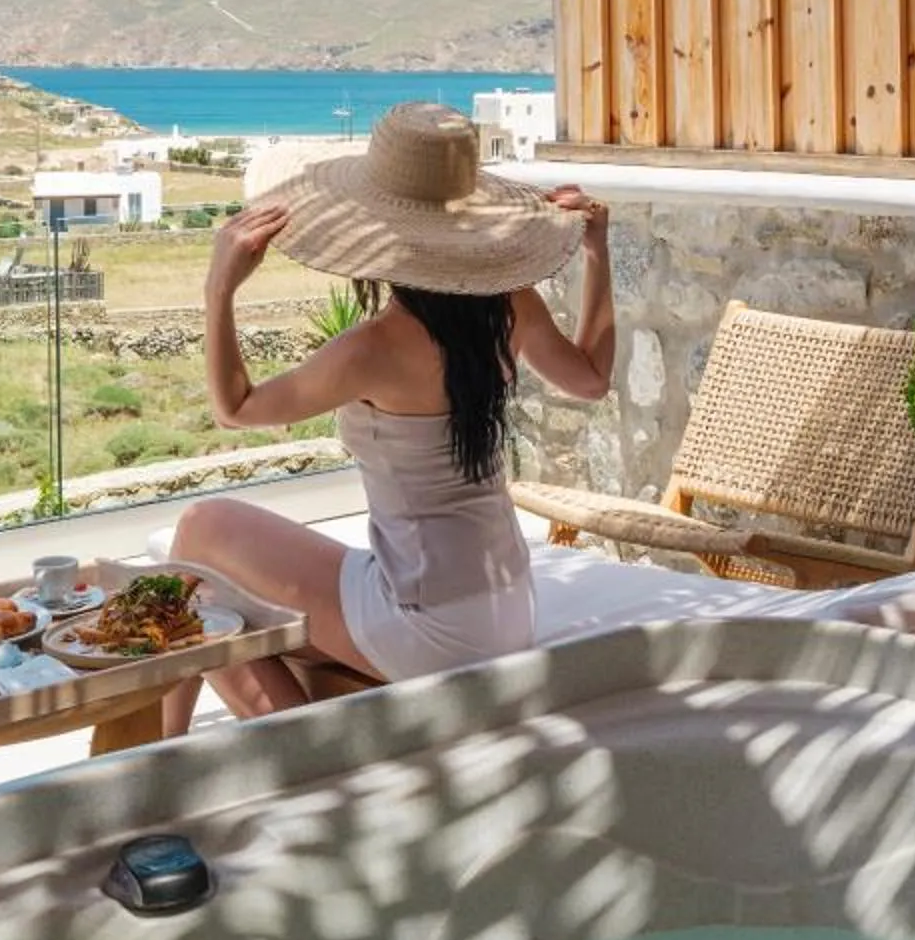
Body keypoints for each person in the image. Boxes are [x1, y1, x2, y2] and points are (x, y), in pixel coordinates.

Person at [158, 102, 613, 731]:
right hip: (508, 609)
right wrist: (597, 252)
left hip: (428, 624)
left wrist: (219, 289)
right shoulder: (510, 305)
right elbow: (591, 380)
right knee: (211, 601)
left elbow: (234, 409)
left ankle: (193, 747)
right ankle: (230, 742)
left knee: (199, 535)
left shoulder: (370, 350)